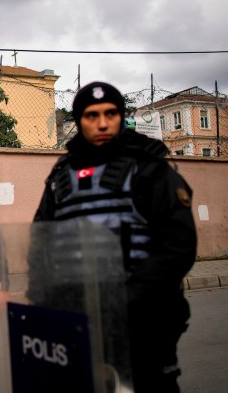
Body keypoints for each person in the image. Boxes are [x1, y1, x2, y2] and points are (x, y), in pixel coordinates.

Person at [33, 81, 197, 393]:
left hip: (142, 317)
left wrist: (127, 296)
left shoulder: (148, 168)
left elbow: (178, 246)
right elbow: (41, 241)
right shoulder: (60, 175)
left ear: (121, 116)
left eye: (110, 113)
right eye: (92, 115)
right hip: (78, 318)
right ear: (80, 121)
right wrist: (42, 301)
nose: (103, 123)